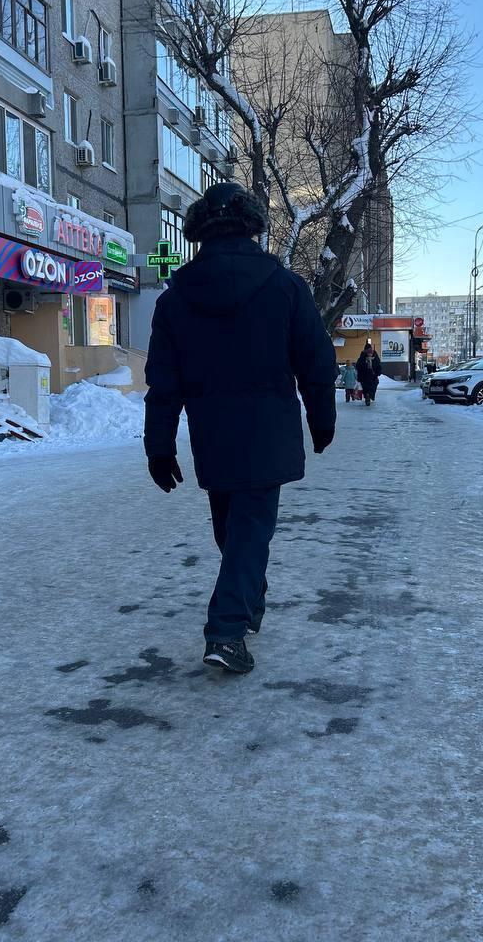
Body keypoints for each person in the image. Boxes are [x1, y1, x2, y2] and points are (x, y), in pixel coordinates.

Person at [144, 182, 337, 674]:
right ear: (252, 226)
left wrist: (159, 446)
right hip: (268, 433)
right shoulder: (286, 287)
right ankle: (227, 632)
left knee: (235, 531)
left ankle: (247, 601)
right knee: (245, 533)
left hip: (213, 436)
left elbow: (163, 383)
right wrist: (322, 416)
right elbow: (316, 360)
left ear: (199, 232)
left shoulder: (175, 300)